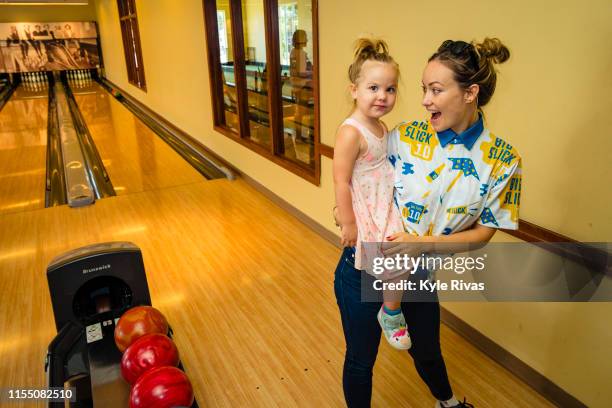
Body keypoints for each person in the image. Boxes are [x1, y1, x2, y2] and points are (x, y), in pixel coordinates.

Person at [334, 37, 521, 408]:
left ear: (470, 93)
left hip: (416, 275)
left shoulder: (503, 160)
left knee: (428, 352)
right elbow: (355, 176)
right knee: (360, 359)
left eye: (435, 90)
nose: (424, 100)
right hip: (361, 269)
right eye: (423, 89)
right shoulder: (402, 135)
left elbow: (484, 233)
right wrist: (343, 213)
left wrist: (423, 245)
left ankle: (448, 403)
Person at [333, 37, 411, 353]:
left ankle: (390, 309)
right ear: (355, 89)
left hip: (384, 202)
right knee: (393, 262)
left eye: (390, 89)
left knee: (402, 259)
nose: (382, 96)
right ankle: (391, 313)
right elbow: (341, 181)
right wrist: (348, 222)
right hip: (366, 208)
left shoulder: (380, 126)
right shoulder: (351, 131)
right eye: (373, 88)